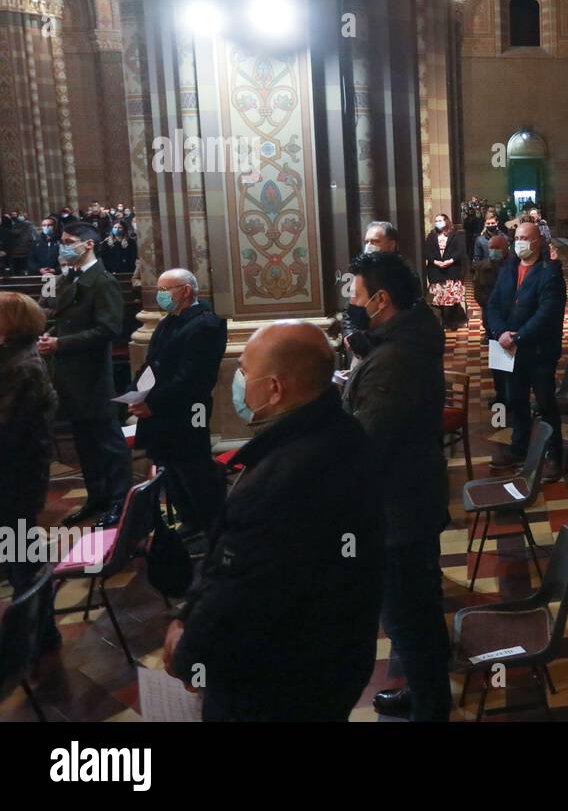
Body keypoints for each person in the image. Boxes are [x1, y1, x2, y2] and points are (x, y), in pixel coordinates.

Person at [163, 321, 384, 720]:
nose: (239, 381)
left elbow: (242, 590)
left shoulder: (283, 478)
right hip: (334, 658)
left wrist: (189, 652)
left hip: (276, 682)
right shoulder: (344, 433)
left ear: (275, 389)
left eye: (245, 371)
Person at [342, 253, 452, 721]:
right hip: (410, 503)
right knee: (416, 619)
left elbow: (369, 443)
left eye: (356, 296)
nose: (350, 303)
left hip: (399, 514)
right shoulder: (402, 340)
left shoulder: (396, 361)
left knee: (410, 624)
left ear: (380, 300)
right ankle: (425, 694)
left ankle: (431, 708)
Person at [40, 222, 132, 527]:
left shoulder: (102, 281)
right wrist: (49, 336)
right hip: (69, 376)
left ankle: (121, 501)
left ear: (88, 245)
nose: (63, 246)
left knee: (108, 442)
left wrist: (60, 343)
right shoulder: (68, 279)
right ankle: (97, 497)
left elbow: (108, 329)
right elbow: (65, 321)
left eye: (69, 241)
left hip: (93, 377)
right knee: (85, 444)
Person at [128, 269, 228, 538]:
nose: (160, 295)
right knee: (170, 466)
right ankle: (190, 520)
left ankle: (211, 527)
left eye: (166, 289)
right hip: (161, 409)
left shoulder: (207, 324)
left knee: (192, 467)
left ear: (186, 290)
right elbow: (151, 364)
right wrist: (135, 393)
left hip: (188, 410)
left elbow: (193, 378)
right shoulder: (167, 321)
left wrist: (154, 404)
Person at [0, 291, 61, 655]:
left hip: (14, 479)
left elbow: (6, 428)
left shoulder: (20, 366)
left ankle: (35, 633)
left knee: (22, 555)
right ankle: (37, 629)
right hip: (19, 477)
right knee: (21, 552)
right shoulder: (15, 358)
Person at [486, 221, 567, 481]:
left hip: (539, 350)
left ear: (537, 241)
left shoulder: (549, 271)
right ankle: (519, 447)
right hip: (509, 348)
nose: (519, 241)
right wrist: (500, 333)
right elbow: (494, 304)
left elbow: (547, 313)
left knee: (545, 403)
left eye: (525, 237)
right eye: (517, 236)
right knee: (516, 400)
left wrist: (518, 336)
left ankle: (555, 455)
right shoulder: (509, 268)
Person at [342, 221, 399, 361]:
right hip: (363, 351)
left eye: (375, 241)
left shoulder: (403, 274)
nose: (369, 246)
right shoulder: (360, 271)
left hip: (391, 349)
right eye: (367, 241)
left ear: (391, 245)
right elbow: (350, 309)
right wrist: (349, 333)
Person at [473, 233, 511, 406]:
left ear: (505, 249)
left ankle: (512, 397)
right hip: (492, 321)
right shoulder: (483, 267)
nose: (494, 251)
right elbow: (478, 292)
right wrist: (492, 307)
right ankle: (501, 396)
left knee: (512, 363)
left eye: (497, 248)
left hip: (511, 320)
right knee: (497, 363)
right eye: (491, 248)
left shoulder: (513, 266)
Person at [424, 213, 467, 330]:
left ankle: (452, 321)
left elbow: (460, 250)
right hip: (436, 270)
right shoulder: (431, 236)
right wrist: (435, 261)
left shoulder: (455, 235)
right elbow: (427, 251)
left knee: (452, 299)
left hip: (452, 269)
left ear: (446, 221)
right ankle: (441, 321)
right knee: (438, 299)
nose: (438, 222)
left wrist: (451, 260)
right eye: (436, 220)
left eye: (440, 220)